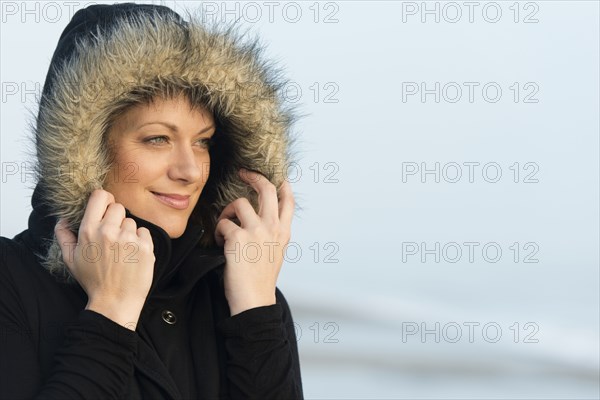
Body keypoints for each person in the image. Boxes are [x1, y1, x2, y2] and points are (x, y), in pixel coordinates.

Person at [0, 3, 303, 399]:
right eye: (157, 138)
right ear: (86, 150)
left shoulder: (246, 296)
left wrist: (256, 313)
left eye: (203, 141)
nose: (190, 170)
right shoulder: (10, 282)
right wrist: (111, 311)